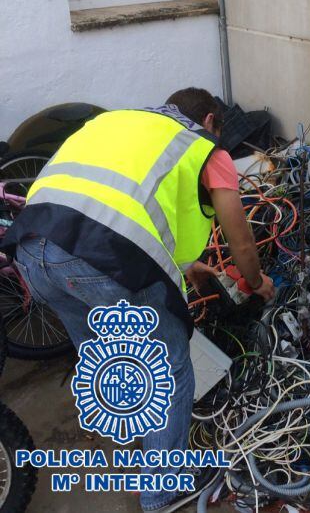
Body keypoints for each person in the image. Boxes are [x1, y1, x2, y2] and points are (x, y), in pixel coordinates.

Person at [3, 87, 275, 512]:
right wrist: (256, 282)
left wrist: (187, 266)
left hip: (31, 249)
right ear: (209, 122)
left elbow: (123, 204)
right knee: (171, 369)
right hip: (101, 260)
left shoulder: (117, 121)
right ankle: (161, 489)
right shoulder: (204, 147)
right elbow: (239, 240)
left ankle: (135, 435)